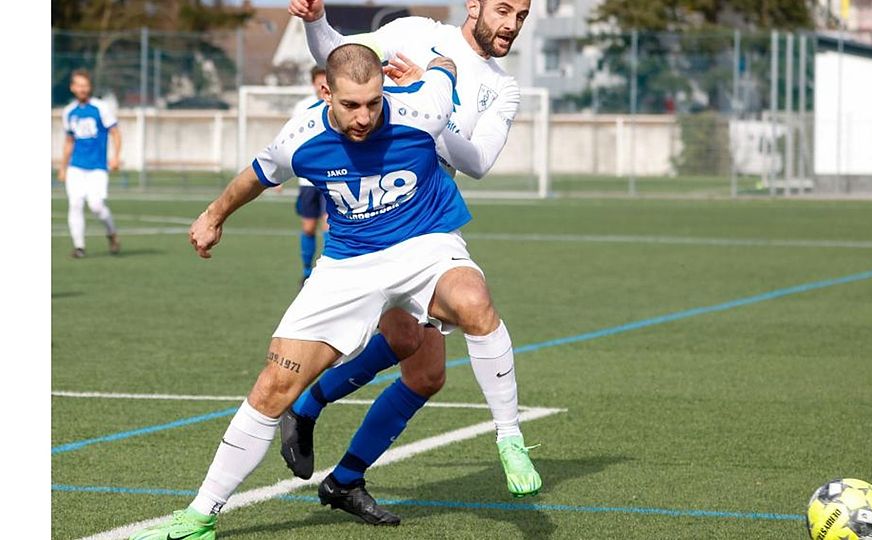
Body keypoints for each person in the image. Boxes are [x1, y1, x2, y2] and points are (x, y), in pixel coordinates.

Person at [130, 43, 523, 538]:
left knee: (472, 303)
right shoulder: (301, 137)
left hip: (426, 245)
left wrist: (437, 65)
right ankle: (200, 514)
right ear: (326, 94)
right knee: (274, 385)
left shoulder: (423, 108)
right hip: (349, 264)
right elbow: (256, 176)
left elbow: (444, 72)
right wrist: (212, 216)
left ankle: (509, 437)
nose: (364, 116)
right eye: (351, 105)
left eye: (374, 102)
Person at [280, 0, 539, 510]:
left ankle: (339, 467)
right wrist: (316, 22)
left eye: (522, 16)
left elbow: (481, 161)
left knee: (423, 371)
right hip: (376, 212)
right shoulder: (414, 32)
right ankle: (310, 417)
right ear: (475, 6)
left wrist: (431, 103)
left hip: (426, 220)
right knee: (410, 347)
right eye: (503, 10)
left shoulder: (503, 87)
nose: (510, 25)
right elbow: (339, 57)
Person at [58, 68, 121, 258]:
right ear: (72, 87)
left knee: (96, 206)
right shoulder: (69, 112)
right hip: (76, 166)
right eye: (78, 85)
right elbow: (69, 141)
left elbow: (115, 132)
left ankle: (111, 233)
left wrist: (116, 156)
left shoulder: (100, 108)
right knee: (75, 203)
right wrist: (63, 167)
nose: (82, 89)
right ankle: (79, 247)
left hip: (97, 167)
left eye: (85, 85)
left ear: (90, 87)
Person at [291, 66, 330, 287]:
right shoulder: (302, 107)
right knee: (308, 226)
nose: (323, 84)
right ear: (314, 83)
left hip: (331, 178)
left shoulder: (339, 104)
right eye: (319, 81)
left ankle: (326, 273)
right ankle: (306, 270)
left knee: (329, 226)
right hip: (308, 181)